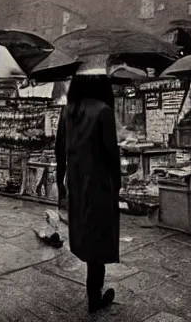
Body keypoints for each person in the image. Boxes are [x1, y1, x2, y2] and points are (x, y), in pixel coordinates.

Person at [54, 76, 121, 314]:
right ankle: (95, 295)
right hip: (99, 185)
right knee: (100, 239)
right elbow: (112, 155)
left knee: (85, 233)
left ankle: (94, 292)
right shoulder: (103, 112)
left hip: (76, 184)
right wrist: (118, 184)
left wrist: (60, 182)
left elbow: (58, 151)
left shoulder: (67, 113)